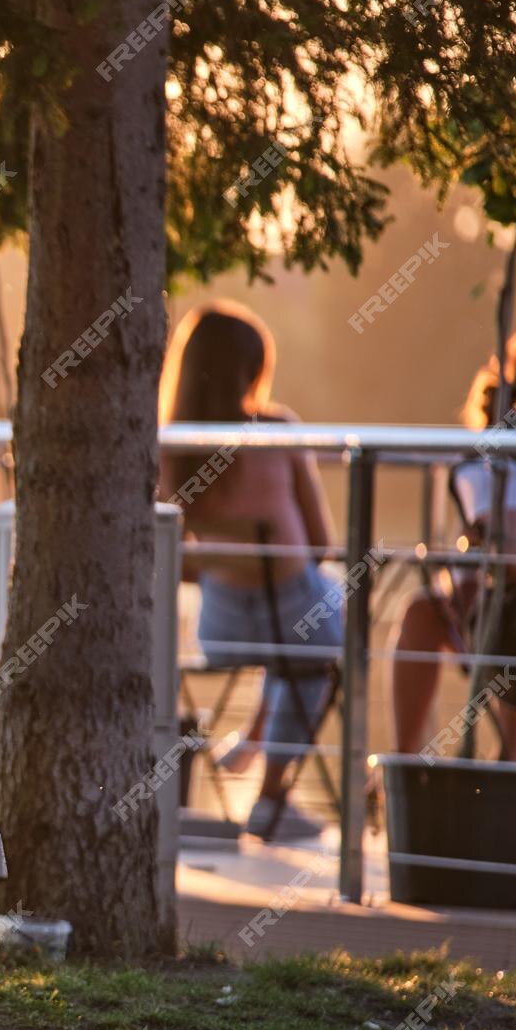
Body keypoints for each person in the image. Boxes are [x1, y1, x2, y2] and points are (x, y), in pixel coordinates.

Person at [159, 300, 340, 843]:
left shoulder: (170, 446)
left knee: (297, 640)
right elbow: (323, 543)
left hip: (220, 629)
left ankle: (253, 738)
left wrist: (220, 559)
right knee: (320, 649)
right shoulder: (277, 431)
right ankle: (272, 796)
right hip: (296, 622)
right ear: (249, 369)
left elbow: (172, 558)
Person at [390, 297, 516, 761]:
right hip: (508, 616)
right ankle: (412, 771)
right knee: (430, 610)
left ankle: (511, 776)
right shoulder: (503, 451)